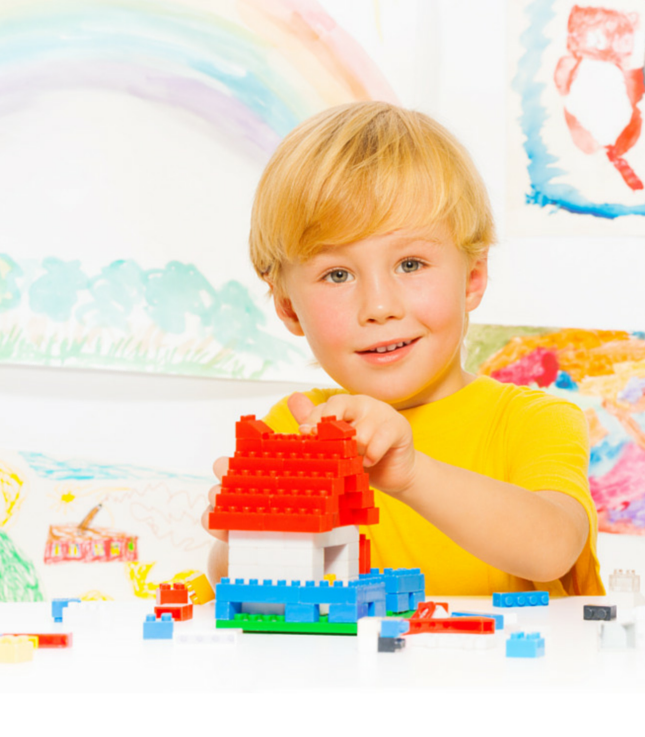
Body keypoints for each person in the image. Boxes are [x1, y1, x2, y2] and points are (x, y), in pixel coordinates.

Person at [202, 101, 604, 597]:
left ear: (472, 279)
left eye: (410, 264)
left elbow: (551, 549)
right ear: (288, 308)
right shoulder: (297, 428)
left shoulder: (533, 421)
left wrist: (410, 474)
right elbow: (236, 584)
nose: (379, 306)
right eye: (338, 274)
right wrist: (244, 528)